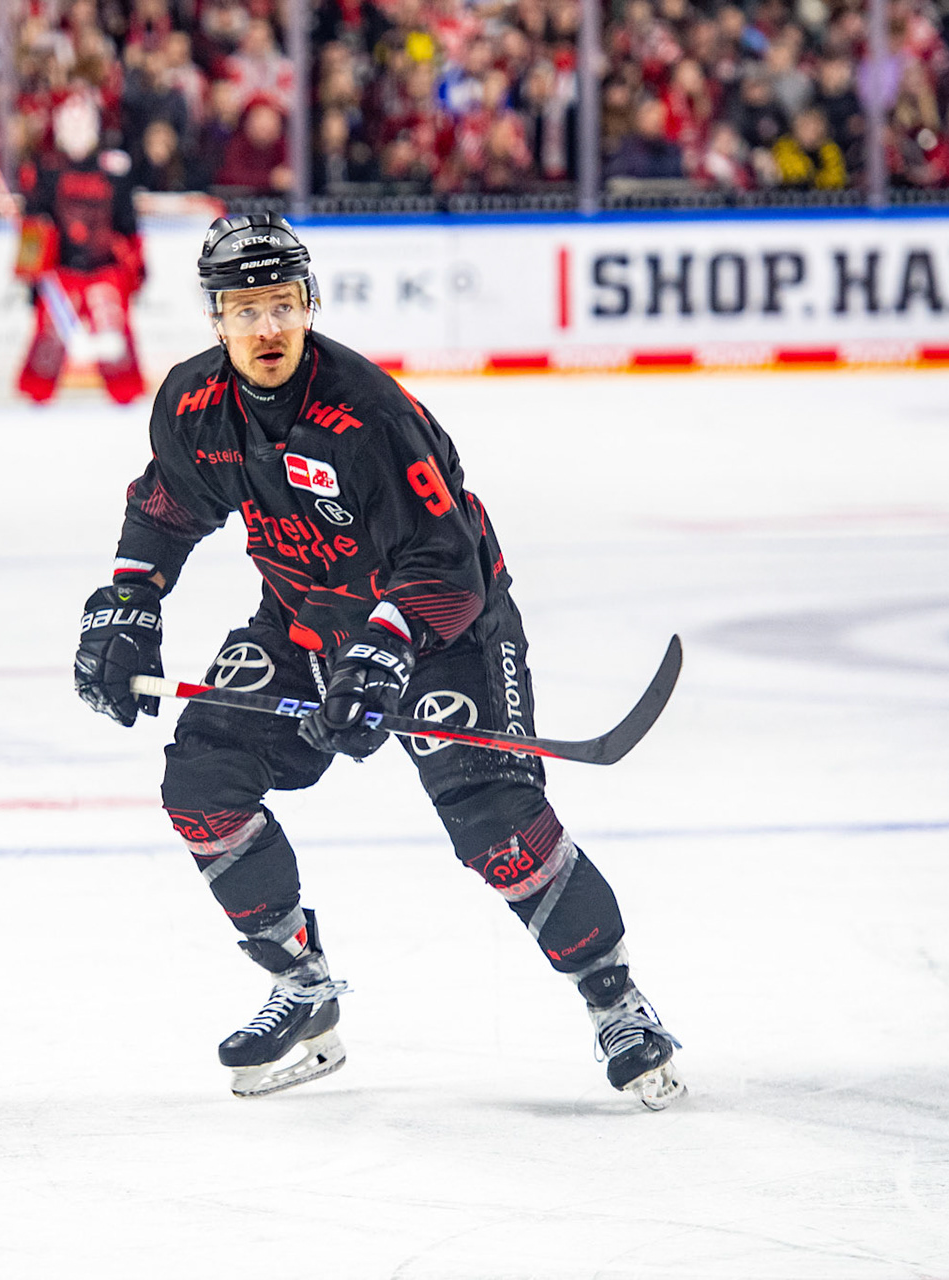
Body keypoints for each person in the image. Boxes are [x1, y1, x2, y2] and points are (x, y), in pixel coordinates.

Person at [71, 215, 686, 1109]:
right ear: (216, 320)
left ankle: (619, 1004)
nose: (268, 329)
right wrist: (127, 604)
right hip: (304, 619)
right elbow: (165, 509)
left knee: (497, 826)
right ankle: (301, 987)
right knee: (202, 783)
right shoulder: (195, 404)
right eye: (246, 311)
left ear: (310, 303)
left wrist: (380, 660)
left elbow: (448, 568)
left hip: (441, 631)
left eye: (282, 305)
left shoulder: (368, 415)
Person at [15, 96, 147, 405]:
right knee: (49, 337)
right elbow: (34, 224)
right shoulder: (45, 170)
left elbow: (129, 225)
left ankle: (127, 402)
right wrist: (32, 276)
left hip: (106, 269)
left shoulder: (115, 169)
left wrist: (137, 269)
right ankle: (34, 401)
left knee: (114, 336)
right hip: (60, 272)